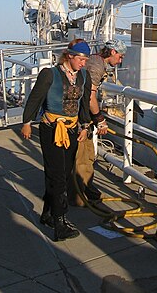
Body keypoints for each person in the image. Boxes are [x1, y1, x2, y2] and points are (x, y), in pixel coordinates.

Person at [21, 39, 92, 241]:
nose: (84, 63)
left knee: (63, 172)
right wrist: (27, 122)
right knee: (57, 175)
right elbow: (35, 98)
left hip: (71, 130)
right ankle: (60, 223)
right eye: (81, 59)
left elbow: (84, 103)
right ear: (69, 56)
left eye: (85, 59)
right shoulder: (49, 74)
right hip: (51, 128)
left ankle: (47, 214)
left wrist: (85, 126)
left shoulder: (84, 76)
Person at [72, 39, 127, 205]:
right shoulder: (97, 66)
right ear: (112, 52)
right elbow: (90, 97)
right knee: (83, 156)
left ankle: (87, 188)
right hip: (80, 116)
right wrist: (99, 119)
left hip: (80, 115)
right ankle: (79, 196)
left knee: (88, 154)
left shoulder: (95, 61)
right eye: (121, 56)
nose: (121, 60)